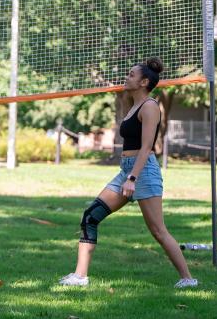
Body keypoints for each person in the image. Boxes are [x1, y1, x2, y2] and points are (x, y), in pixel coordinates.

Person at [59, 58, 198, 289]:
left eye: (132, 75)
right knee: (90, 217)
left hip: (143, 172)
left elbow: (146, 147)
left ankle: (187, 279)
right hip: (126, 170)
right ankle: (80, 276)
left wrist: (132, 178)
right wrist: (128, 175)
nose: (127, 77)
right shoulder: (132, 104)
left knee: (158, 230)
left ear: (144, 82)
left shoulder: (150, 107)